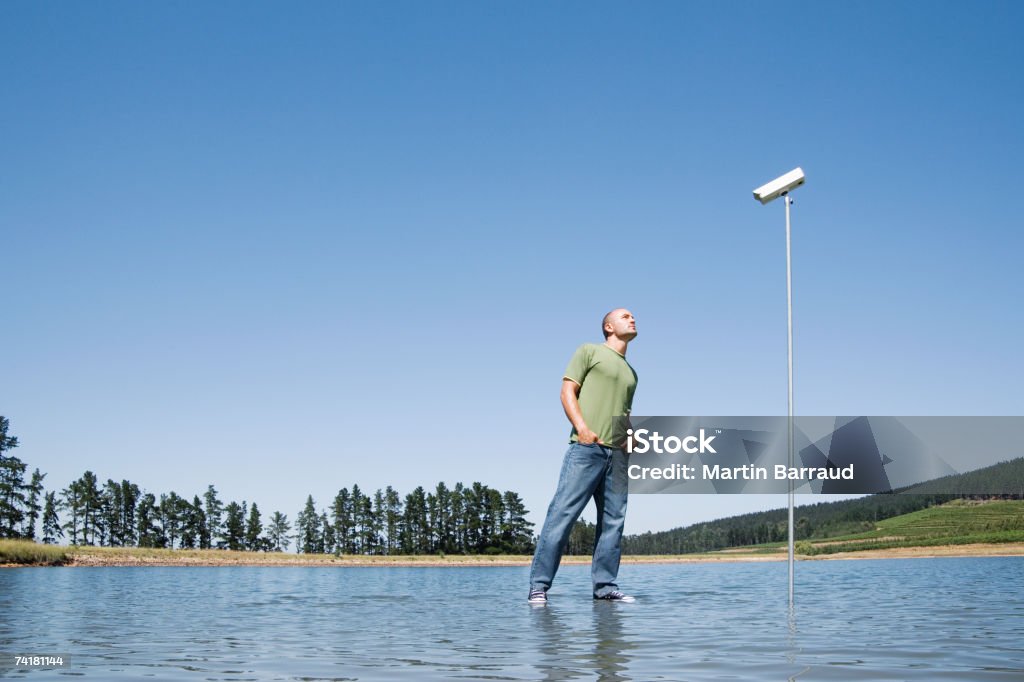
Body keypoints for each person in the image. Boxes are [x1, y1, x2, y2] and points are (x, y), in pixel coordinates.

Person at [528, 308, 638, 604]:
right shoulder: (589, 351)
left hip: (617, 456)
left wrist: (630, 437)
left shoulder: (631, 372)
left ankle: (605, 588)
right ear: (608, 326)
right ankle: (538, 587)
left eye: (633, 316)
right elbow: (567, 392)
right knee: (562, 516)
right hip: (586, 448)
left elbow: (623, 413)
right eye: (625, 316)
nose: (632, 319)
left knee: (613, 521)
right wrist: (583, 429)